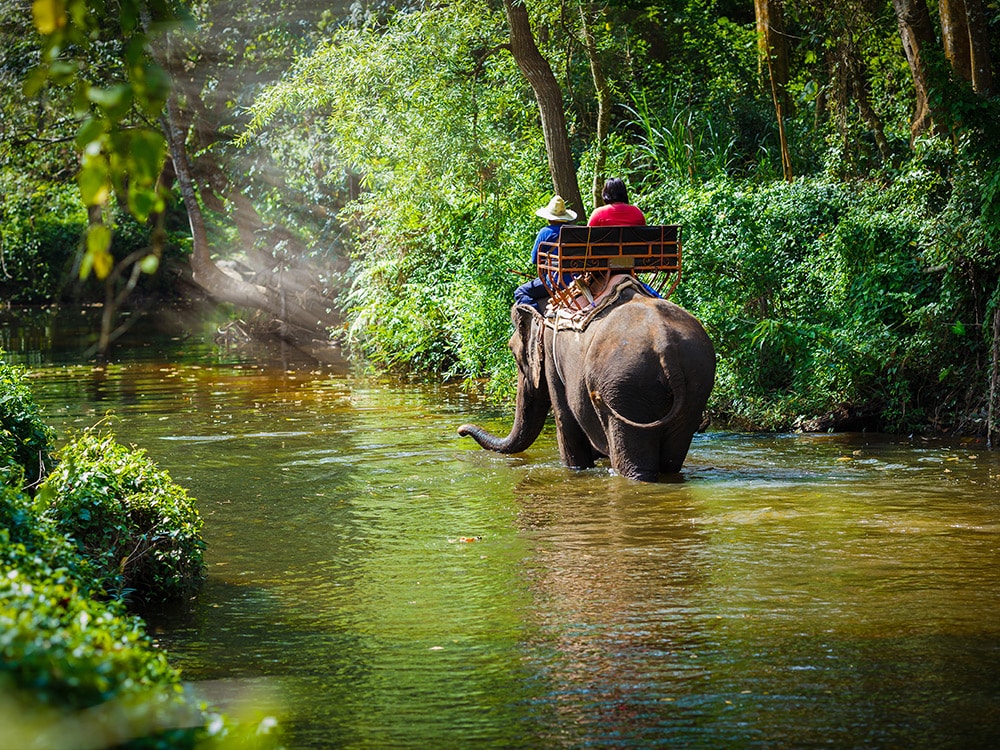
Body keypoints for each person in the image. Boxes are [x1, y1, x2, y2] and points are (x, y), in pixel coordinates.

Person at [514, 195, 577, 313]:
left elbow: (535, 259)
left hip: (557, 280)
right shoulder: (576, 231)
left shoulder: (545, 232)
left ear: (549, 218)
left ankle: (539, 318)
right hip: (577, 278)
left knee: (520, 292)